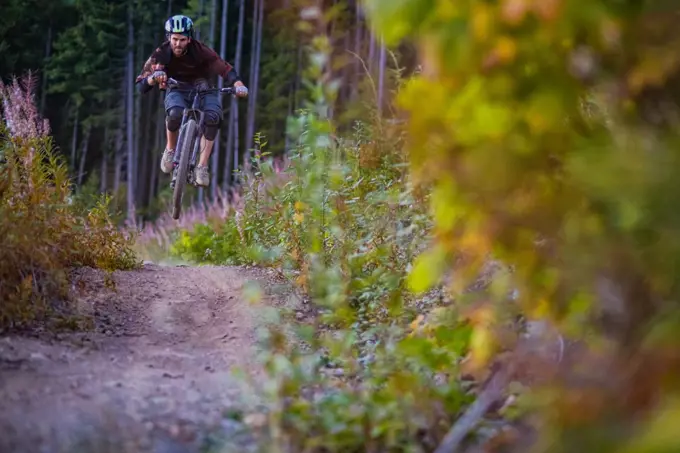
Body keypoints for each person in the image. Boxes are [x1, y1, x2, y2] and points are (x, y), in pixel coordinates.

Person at [135, 14, 248, 187]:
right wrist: (153, 78)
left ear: (189, 39)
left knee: (213, 117)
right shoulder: (160, 54)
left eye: (181, 40)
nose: (177, 44)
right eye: (174, 39)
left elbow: (223, 67)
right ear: (168, 38)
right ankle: (170, 149)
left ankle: (202, 166)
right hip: (176, 87)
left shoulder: (201, 50)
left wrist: (238, 84)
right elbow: (141, 86)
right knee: (175, 113)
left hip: (204, 88)